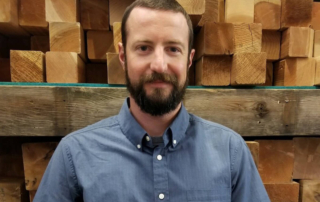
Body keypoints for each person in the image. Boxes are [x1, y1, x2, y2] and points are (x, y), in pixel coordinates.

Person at [34, 0, 270, 201]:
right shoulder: (74, 155)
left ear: (189, 60)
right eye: (144, 47)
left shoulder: (231, 152)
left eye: (173, 49)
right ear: (123, 56)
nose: (159, 64)